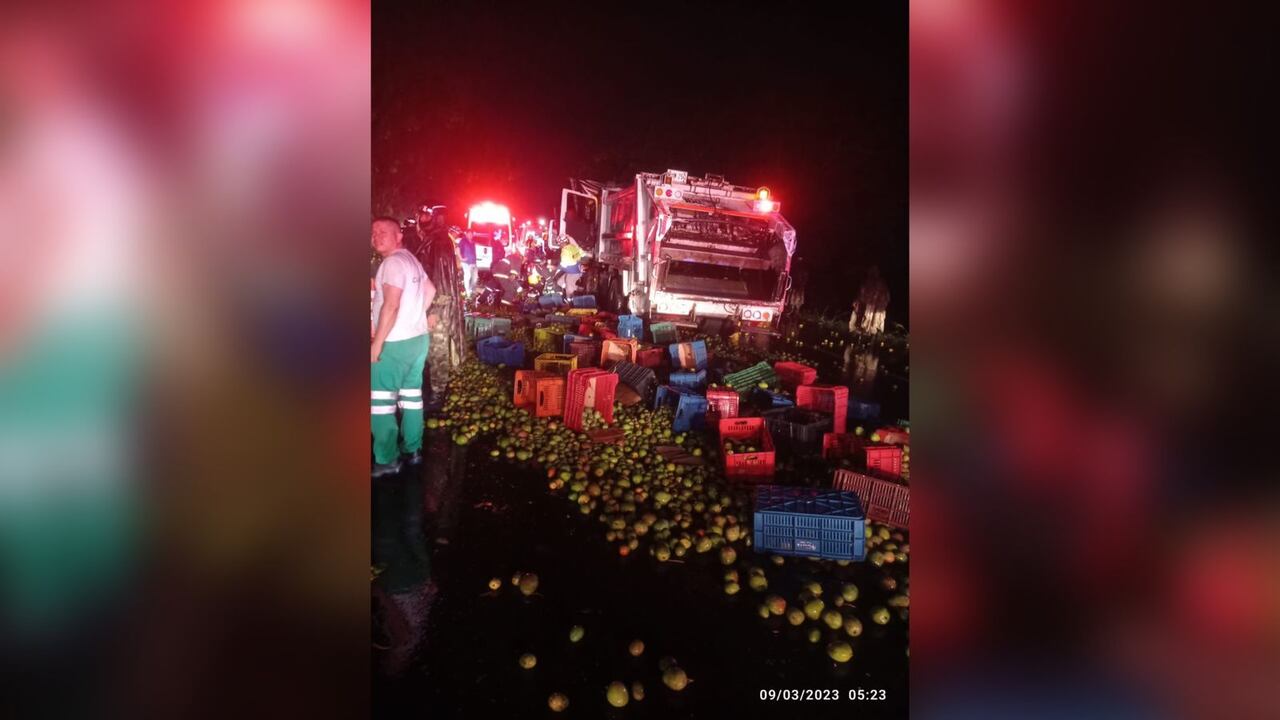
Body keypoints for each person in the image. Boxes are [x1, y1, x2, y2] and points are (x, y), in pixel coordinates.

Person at [371, 217, 435, 477]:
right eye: (373, 232)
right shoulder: (410, 259)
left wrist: (377, 344)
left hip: (394, 344)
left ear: (399, 236)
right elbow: (429, 291)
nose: (376, 236)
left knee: (381, 403)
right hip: (417, 341)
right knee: (411, 397)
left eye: (383, 232)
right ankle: (413, 450)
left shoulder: (392, 263)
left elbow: (391, 305)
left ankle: (387, 459)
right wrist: (414, 318)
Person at [411, 204, 465, 411]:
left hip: (437, 309)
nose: (420, 219)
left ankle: (437, 394)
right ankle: (431, 391)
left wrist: (434, 310)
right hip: (426, 305)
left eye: (424, 215)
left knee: (437, 352)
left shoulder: (440, 242)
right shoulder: (431, 240)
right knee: (428, 352)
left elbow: (442, 281)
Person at [457, 230, 478, 297]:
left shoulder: (473, 242)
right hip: (466, 263)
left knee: (475, 278)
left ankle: (471, 290)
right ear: (466, 234)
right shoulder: (463, 241)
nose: (470, 235)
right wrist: (461, 258)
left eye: (471, 234)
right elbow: (457, 249)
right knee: (468, 275)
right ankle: (467, 292)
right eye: (469, 234)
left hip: (474, 263)